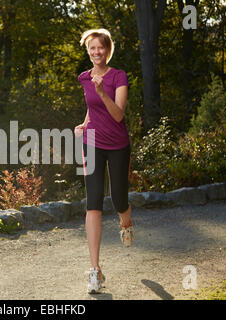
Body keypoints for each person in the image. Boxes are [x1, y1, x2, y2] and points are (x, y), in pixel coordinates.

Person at [74, 28, 134, 294]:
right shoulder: (84, 78)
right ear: (88, 52)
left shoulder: (119, 76)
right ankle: (95, 271)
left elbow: (118, 115)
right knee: (94, 201)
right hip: (92, 143)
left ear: (107, 50)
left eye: (100, 47)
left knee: (119, 199)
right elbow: (91, 108)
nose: (96, 52)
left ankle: (126, 224)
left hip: (118, 145)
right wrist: (84, 124)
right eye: (91, 48)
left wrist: (102, 93)